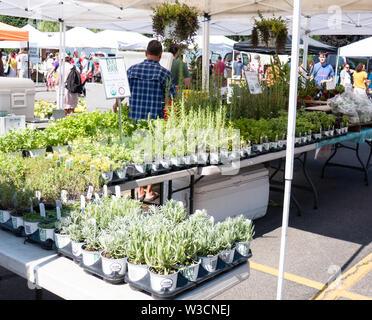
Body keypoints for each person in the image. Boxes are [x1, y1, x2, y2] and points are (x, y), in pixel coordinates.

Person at [114, 40, 176, 202]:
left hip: (134, 121)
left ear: (145, 53)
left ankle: (139, 190)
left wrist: (116, 104)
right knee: (152, 157)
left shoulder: (132, 70)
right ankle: (149, 191)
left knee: (136, 156)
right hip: (154, 123)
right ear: (161, 55)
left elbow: (121, 93)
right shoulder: (164, 74)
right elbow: (171, 102)